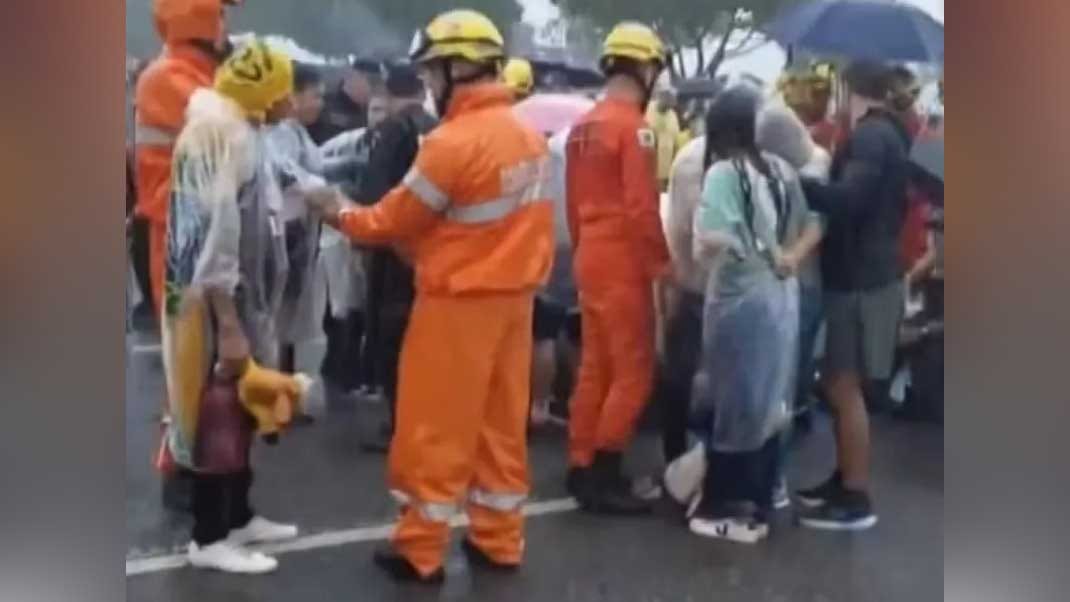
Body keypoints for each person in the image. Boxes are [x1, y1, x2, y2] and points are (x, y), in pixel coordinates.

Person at [305, 9, 553, 583]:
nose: (428, 85)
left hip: (456, 304)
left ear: (458, 69)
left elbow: (389, 222)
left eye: (432, 72)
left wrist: (334, 210)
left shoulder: (450, 143)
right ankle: (499, 539)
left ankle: (420, 549)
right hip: (515, 302)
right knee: (499, 428)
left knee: (434, 428)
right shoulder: (527, 136)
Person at [162, 39, 299, 574]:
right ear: (261, 91)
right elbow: (213, 240)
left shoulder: (241, 129)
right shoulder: (218, 135)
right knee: (214, 415)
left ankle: (238, 517)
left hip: (236, 297)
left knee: (244, 407)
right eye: (285, 92)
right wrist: (228, 322)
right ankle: (209, 537)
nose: (292, 102)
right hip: (211, 303)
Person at [795, 60, 913, 531]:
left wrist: (798, 184)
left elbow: (849, 200)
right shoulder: (888, 133)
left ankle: (855, 495)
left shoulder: (871, 137)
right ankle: (843, 478)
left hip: (860, 281)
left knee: (844, 387)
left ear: (851, 91)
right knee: (839, 384)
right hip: (867, 275)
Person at [688, 86, 808, 544]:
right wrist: (787, 256)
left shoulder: (723, 173)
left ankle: (725, 507)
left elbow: (709, 239)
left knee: (734, 401)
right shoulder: (781, 170)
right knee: (769, 400)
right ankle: (760, 501)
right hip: (782, 296)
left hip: (740, 300)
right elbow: (812, 222)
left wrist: (732, 249)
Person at [565, 21, 674, 515]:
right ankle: (605, 471)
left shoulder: (582, 126)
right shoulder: (635, 129)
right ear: (644, 69)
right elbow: (642, 207)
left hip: (589, 252)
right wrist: (661, 265)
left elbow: (572, 203)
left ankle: (581, 460)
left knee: (595, 367)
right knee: (632, 371)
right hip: (623, 257)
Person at [136, 0, 239, 512]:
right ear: (201, 20)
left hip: (198, 226)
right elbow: (226, 125)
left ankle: (201, 457)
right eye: (222, 16)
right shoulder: (169, 78)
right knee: (188, 355)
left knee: (205, 354)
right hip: (177, 230)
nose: (229, 27)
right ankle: (179, 464)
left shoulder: (195, 75)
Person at [355, 61, 437, 453]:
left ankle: (400, 424)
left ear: (387, 94)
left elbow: (373, 193)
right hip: (433, 250)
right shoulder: (438, 129)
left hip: (393, 250)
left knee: (391, 338)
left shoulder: (393, 131)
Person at [755, 101, 829, 507]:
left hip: (794, 286)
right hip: (801, 285)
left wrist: (790, 258)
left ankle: (772, 477)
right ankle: (775, 467)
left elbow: (816, 225)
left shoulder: (802, 174)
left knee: (777, 382)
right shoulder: (818, 161)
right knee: (787, 379)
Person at [270, 63, 328, 381]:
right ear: (293, 96)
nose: (320, 103)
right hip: (284, 232)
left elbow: (318, 164)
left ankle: (284, 378)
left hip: (298, 230)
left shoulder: (296, 132)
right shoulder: (279, 133)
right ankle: (277, 381)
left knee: (289, 315)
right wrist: (317, 188)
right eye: (315, 96)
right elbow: (284, 170)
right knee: (281, 313)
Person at [657, 133, 711, 465]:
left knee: (680, 372)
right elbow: (688, 230)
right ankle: (684, 458)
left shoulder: (691, 156)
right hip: (701, 285)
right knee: (684, 374)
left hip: (692, 282)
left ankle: (677, 457)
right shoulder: (696, 162)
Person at [306, 57, 380, 145]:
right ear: (353, 77)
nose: (373, 89)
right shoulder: (321, 105)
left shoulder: (371, 113)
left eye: (376, 84)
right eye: (371, 82)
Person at [646, 87, 682, 191]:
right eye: (668, 99)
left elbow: (676, 141)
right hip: (646, 167)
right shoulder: (647, 108)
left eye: (672, 101)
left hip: (664, 171)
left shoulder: (672, 115)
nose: (670, 104)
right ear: (661, 97)